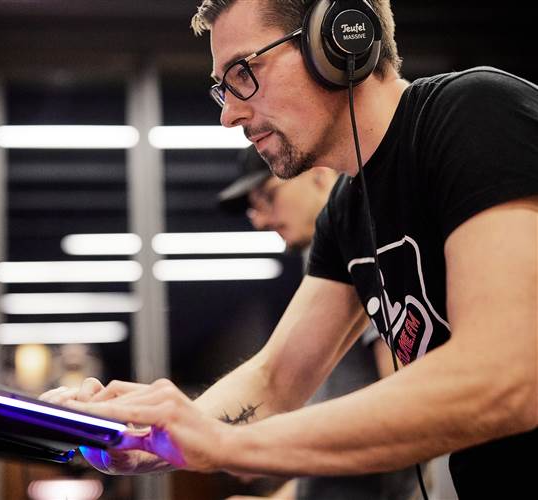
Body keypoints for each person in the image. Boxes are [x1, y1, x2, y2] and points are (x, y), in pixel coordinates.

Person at [40, 1, 538, 498]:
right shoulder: (346, 212)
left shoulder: (474, 114)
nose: (229, 114)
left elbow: (505, 377)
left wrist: (226, 445)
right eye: (222, 88)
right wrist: (145, 437)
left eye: (243, 73)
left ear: (337, 39)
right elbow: (274, 381)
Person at [218, 145, 420, 499]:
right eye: (254, 207)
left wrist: (271, 444)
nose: (261, 220)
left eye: (268, 196)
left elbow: (407, 404)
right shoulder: (327, 263)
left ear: (320, 175)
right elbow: (277, 381)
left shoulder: (362, 256)